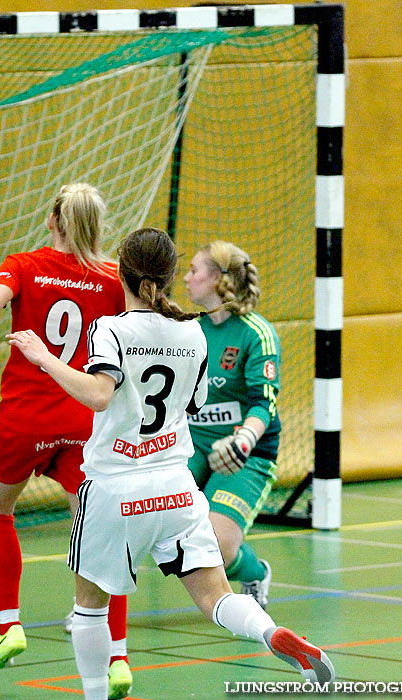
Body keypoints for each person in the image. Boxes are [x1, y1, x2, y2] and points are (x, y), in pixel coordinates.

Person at [8, 228, 334, 700]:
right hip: (176, 489)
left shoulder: (112, 329)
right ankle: (271, 634)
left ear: (121, 272)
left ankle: (97, 695)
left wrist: (43, 358)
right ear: (165, 277)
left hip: (114, 489)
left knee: (89, 610)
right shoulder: (194, 333)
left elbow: (99, 395)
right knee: (217, 598)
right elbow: (195, 404)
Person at [0, 183, 133, 698]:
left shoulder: (23, 265)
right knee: (100, 532)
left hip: (25, 417)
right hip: (84, 418)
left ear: (53, 219)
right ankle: (117, 656)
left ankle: (9, 626)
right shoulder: (114, 277)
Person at [183, 241, 279, 609]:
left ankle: (254, 571)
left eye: (194, 270)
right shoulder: (188, 330)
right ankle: (95, 608)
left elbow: (263, 404)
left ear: (218, 279)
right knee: (147, 517)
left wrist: (241, 441)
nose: (187, 278)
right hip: (193, 446)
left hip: (244, 452)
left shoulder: (255, 333)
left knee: (215, 548)